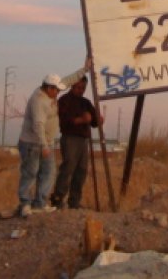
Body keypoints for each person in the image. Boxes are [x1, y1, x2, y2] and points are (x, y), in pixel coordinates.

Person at [17, 57, 90, 217]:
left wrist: (84, 69)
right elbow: (38, 125)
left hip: (46, 142)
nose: (58, 93)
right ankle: (25, 204)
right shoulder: (39, 100)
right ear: (48, 87)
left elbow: (68, 80)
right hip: (32, 143)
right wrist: (43, 145)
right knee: (30, 173)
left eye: (58, 90)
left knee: (48, 173)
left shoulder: (51, 93)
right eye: (55, 90)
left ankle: (40, 203)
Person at [51, 75, 104, 209]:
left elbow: (94, 122)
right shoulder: (64, 101)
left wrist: (99, 120)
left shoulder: (85, 102)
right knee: (68, 167)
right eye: (79, 87)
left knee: (81, 170)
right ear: (73, 86)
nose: (81, 90)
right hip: (70, 138)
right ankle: (57, 198)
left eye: (83, 88)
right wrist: (81, 120)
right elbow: (63, 121)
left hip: (83, 139)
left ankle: (74, 201)